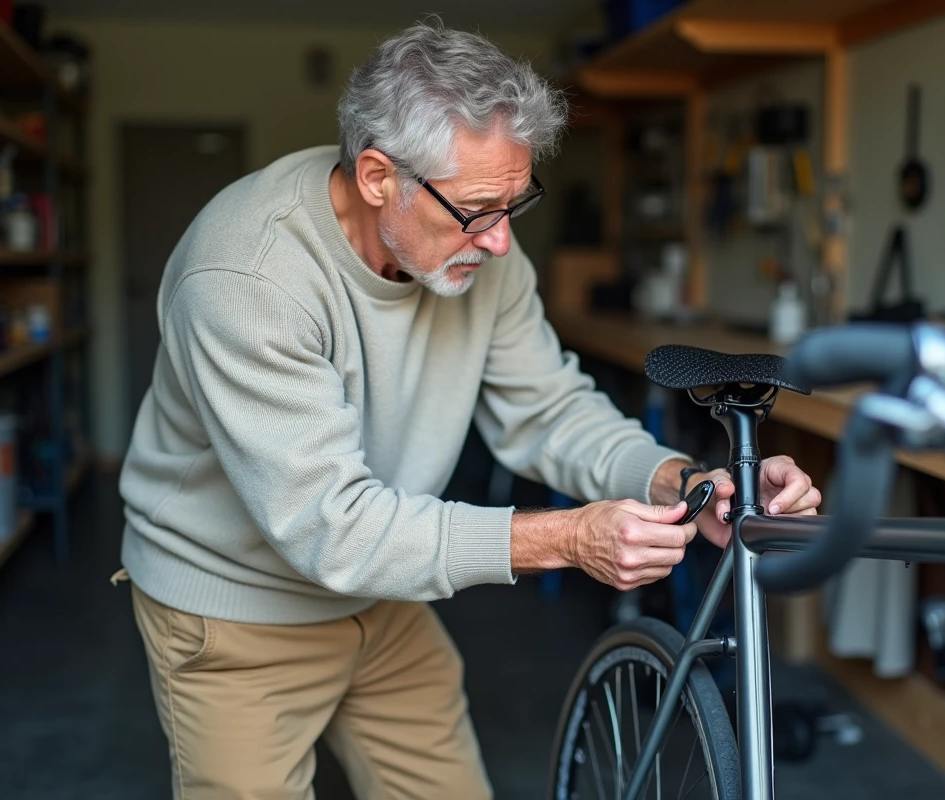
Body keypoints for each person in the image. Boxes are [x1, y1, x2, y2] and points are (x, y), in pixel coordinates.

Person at [115, 20, 821, 800]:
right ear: (379, 175)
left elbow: (547, 408)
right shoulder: (247, 278)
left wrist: (678, 478)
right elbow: (335, 530)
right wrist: (563, 538)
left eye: (517, 202)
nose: (502, 243)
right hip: (236, 611)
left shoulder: (480, 247)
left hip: (384, 596)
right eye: (481, 209)